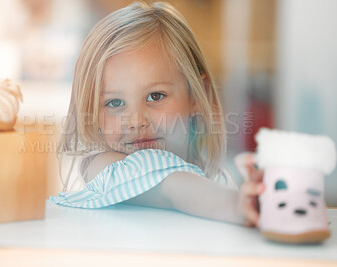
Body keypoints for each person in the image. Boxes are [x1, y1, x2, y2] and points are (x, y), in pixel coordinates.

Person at [53, 1, 264, 227]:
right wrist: (235, 205)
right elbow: (169, 186)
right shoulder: (101, 167)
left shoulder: (216, 175)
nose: (136, 121)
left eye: (155, 96)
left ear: (197, 94)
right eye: (114, 102)